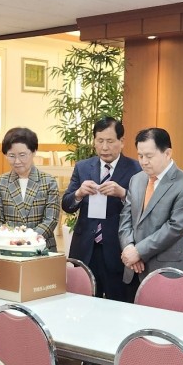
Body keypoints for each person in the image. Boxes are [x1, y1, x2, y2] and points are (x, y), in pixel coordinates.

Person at [62, 117, 140, 300]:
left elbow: (143, 210)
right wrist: (79, 194)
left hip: (117, 249)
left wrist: (123, 193)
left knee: (118, 304)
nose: (104, 147)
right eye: (100, 141)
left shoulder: (135, 169)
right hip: (86, 248)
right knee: (82, 303)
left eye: (110, 141)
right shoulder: (83, 167)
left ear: (122, 142)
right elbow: (67, 204)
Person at [118, 128, 183, 299]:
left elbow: (174, 228)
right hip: (133, 268)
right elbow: (126, 217)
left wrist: (139, 251)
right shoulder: (137, 179)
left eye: (149, 156)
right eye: (140, 156)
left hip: (165, 270)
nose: (143, 161)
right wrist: (128, 247)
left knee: (164, 324)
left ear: (167, 153)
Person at [0, 127, 60, 251]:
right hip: (9, 247)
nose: (17, 161)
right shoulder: (1, 182)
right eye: (11, 156)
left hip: (41, 247)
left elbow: (51, 219)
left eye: (22, 155)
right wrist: (10, 240)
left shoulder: (48, 181)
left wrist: (29, 240)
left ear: (33, 152)